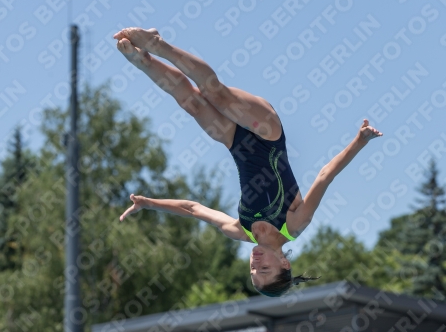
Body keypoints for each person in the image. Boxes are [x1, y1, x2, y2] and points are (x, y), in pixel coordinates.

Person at [114, 27, 383, 297]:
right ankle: (158, 44)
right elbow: (325, 175)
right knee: (216, 94)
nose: (255, 266)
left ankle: (142, 60)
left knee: (191, 103)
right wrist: (359, 142)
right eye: (265, 270)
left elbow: (193, 209)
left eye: (253, 272)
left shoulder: (241, 231)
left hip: (234, 142)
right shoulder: (294, 225)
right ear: (284, 263)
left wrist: (149, 204)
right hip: (268, 133)